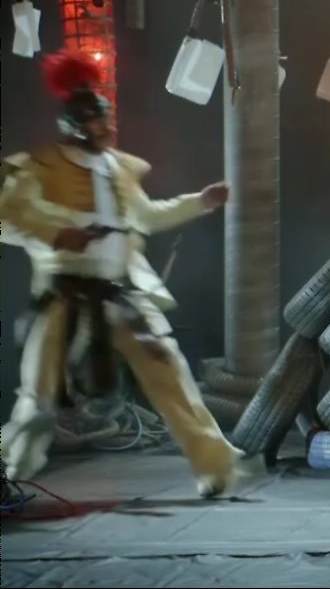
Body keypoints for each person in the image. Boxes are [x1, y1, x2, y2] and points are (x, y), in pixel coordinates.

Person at [0, 49, 249, 498]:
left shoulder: (117, 169)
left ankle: (216, 466)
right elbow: (10, 215)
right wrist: (60, 232)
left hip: (119, 295)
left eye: (106, 118)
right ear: (76, 124)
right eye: (98, 121)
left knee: (171, 378)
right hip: (64, 298)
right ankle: (11, 466)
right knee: (39, 396)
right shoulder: (41, 168)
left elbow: (147, 217)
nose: (107, 127)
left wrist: (201, 201)